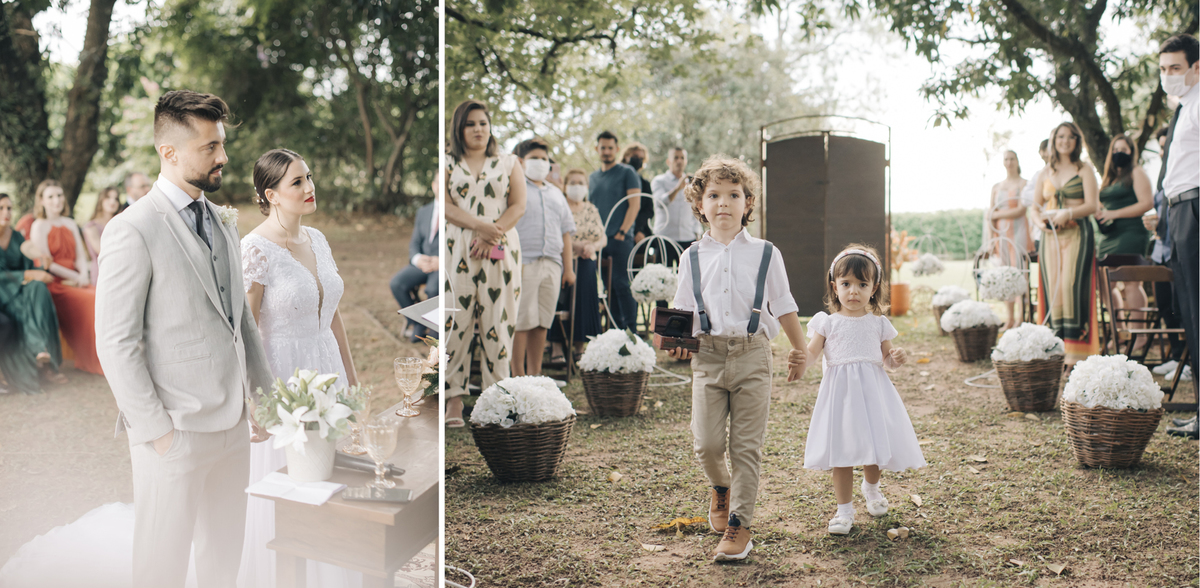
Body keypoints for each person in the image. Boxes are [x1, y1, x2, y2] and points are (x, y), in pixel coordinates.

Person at [95, 89, 275, 587]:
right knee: (162, 567)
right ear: (168, 153)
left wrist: (261, 398)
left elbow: (240, 318)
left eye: (220, 144)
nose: (223, 156)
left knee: (223, 561)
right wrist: (159, 434)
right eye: (209, 147)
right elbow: (115, 343)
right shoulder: (131, 229)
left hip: (234, 428)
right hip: (173, 433)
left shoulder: (219, 218)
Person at [666, 155, 807, 561]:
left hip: (752, 355)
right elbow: (684, 311)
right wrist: (677, 339)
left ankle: (739, 526)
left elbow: (783, 303)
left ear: (748, 204)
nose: (723, 202)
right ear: (700, 205)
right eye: (714, 195)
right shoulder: (691, 256)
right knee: (707, 444)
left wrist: (799, 348)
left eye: (734, 194)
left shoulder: (766, 253)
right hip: (707, 356)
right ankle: (721, 487)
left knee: (746, 447)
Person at [240, 148, 361, 587]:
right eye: (297, 182)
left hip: (326, 368)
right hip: (283, 378)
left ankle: (335, 571)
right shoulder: (255, 249)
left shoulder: (319, 239)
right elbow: (246, 327)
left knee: (333, 478)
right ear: (271, 194)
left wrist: (351, 376)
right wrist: (255, 395)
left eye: (309, 177)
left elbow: (333, 312)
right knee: (291, 482)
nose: (309, 188)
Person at [803, 244, 926, 536]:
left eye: (862, 284)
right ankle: (844, 510)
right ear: (835, 287)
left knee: (874, 449)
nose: (853, 291)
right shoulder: (828, 323)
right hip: (840, 398)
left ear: (874, 287)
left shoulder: (878, 323)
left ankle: (872, 489)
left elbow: (887, 360)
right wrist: (800, 360)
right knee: (841, 453)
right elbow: (811, 355)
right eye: (846, 284)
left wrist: (895, 359)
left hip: (873, 395)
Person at [443, 100, 526, 428]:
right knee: (456, 323)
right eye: (470, 124)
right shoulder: (447, 162)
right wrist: (481, 227)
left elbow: (518, 205)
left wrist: (493, 233)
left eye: (483, 123)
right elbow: (445, 206)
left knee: (498, 320)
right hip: (458, 248)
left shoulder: (508, 162)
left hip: (499, 247)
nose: (478, 129)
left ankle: (496, 396)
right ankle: (453, 400)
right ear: (459, 129)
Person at [1157, 34, 1200, 438]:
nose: (1167, 76)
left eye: (1175, 68)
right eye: (1163, 69)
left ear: (1196, 67)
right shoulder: (1186, 108)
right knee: (1190, 312)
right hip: (1179, 211)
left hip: (1195, 208)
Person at [1034, 122, 1100, 367]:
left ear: (1076, 141)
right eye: (1061, 136)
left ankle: (1077, 355)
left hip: (1077, 234)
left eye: (1071, 137)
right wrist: (1039, 222)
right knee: (1053, 289)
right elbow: (1034, 207)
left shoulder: (1084, 169)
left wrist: (1069, 213)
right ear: (1054, 140)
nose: (1065, 141)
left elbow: (1093, 205)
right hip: (1050, 237)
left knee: (1072, 286)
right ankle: (1054, 350)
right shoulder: (1044, 172)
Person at [511, 138, 574, 377]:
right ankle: (517, 375)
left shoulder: (557, 194)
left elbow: (566, 232)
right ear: (521, 161)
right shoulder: (515, 188)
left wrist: (568, 269)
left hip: (552, 265)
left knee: (541, 322)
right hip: (524, 263)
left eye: (544, 159)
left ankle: (535, 375)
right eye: (534, 158)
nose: (540, 163)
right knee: (521, 321)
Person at [28, 180, 103, 375]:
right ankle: (93, 360)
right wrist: (75, 277)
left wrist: (83, 275)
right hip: (56, 284)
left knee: (103, 296)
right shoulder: (39, 226)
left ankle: (109, 354)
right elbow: (48, 264)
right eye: (51, 196)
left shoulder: (70, 223)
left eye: (59, 195)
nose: (56, 200)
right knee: (91, 300)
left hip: (78, 279)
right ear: (41, 201)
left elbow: (80, 255)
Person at [0, 192, 64, 393]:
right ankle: (40, 350)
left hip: (20, 289)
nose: (6, 212)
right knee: (29, 298)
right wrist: (28, 274)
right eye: (1, 208)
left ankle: (43, 354)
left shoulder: (18, 237)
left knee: (39, 288)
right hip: (2, 293)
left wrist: (42, 269)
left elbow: (30, 270)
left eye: (9, 208)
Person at [1093, 134, 1154, 335]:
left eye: (1124, 150)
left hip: (1131, 233)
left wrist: (1114, 213)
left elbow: (1147, 203)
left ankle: (1139, 335)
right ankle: (1120, 332)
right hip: (1108, 236)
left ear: (1131, 153)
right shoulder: (1109, 178)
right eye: (1116, 150)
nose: (1120, 153)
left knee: (1131, 282)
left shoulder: (1137, 173)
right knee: (1105, 285)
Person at [548, 169, 606, 362]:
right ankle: (556, 346)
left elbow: (602, 237)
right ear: (565, 186)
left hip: (586, 262)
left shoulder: (591, 209)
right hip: (563, 259)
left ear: (586, 187)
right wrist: (576, 245)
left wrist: (592, 246)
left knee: (587, 279)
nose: (577, 186)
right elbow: (554, 234)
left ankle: (580, 345)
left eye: (581, 183)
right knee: (558, 292)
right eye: (572, 182)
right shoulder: (559, 207)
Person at [1144, 127, 1186, 378]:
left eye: (1166, 145)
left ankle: (1188, 362)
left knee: (1182, 308)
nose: (1163, 151)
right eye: (1160, 146)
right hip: (1160, 253)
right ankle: (1175, 355)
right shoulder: (1162, 178)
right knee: (1165, 308)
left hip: (1178, 253)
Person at [589, 131, 642, 330]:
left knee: (622, 285)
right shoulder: (592, 177)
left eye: (610, 148)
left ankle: (632, 333)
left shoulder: (627, 172)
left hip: (620, 239)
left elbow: (634, 204)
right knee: (606, 287)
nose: (607, 151)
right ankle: (615, 333)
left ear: (617, 149)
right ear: (597, 149)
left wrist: (622, 232)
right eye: (603, 147)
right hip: (599, 241)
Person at [983, 150, 1031, 329]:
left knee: (1019, 272)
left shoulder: (1024, 184)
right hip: (1000, 234)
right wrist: (991, 239)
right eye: (1006, 159)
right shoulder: (996, 186)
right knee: (1004, 275)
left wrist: (996, 213)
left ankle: (1021, 318)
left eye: (1012, 158)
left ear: (1017, 161)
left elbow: (1020, 210)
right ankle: (1009, 318)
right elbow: (990, 214)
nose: (1009, 162)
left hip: (1018, 231)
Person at [391, 182, 440, 342]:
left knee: (433, 291)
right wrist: (417, 259)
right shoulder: (423, 211)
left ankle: (435, 332)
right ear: (433, 185)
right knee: (397, 283)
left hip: (442, 266)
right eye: (439, 183)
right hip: (422, 263)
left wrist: (443, 262)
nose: (441, 186)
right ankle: (417, 322)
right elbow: (414, 243)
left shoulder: (455, 213)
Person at [651, 146, 700, 265]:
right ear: (669, 161)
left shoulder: (692, 184)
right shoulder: (659, 181)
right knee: (663, 276)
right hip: (665, 238)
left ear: (686, 161)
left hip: (687, 238)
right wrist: (678, 188)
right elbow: (660, 203)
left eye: (682, 158)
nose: (679, 161)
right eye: (676, 158)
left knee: (688, 278)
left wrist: (697, 232)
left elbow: (696, 209)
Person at [1019, 140, 1052, 257]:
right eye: (1044, 151)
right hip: (1041, 231)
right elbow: (1024, 197)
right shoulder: (1039, 175)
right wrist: (1044, 194)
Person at [84, 186, 121, 285]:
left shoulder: (121, 223)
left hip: (121, 270)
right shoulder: (91, 227)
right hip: (102, 272)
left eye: (116, 199)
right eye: (108, 197)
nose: (112, 202)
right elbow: (101, 251)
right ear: (101, 200)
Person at [621, 142, 655, 243]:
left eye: (641, 158)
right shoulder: (616, 180)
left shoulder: (645, 184)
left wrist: (638, 231)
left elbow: (648, 211)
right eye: (635, 156)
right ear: (626, 157)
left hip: (639, 232)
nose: (638, 160)